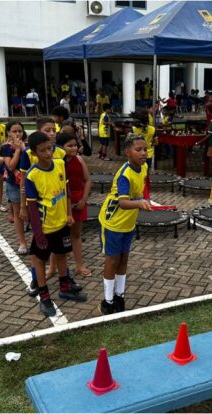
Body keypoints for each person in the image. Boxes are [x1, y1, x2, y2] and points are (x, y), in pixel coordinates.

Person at [25, 132, 87, 317]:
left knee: (62, 254)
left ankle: (65, 287)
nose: (47, 153)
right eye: (42, 151)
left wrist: (68, 213)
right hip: (45, 227)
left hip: (62, 223)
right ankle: (44, 297)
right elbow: (32, 208)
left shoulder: (60, 164)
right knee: (38, 260)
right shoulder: (32, 176)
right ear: (34, 153)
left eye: (49, 148)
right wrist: (39, 234)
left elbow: (66, 191)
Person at [98, 134, 151, 315]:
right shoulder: (124, 175)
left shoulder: (144, 167)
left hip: (128, 223)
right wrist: (140, 203)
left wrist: (145, 198)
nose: (143, 153)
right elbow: (123, 203)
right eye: (138, 150)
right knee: (112, 260)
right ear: (127, 152)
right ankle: (107, 301)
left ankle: (120, 296)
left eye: (145, 149)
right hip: (113, 222)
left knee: (124, 258)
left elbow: (143, 186)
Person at [59, 132, 93, 277]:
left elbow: (87, 180)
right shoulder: (57, 162)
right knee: (60, 236)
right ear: (61, 147)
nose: (74, 148)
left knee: (76, 234)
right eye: (69, 146)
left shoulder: (79, 159)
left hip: (79, 199)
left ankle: (79, 265)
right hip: (62, 201)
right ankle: (56, 267)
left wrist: (83, 200)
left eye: (75, 145)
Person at [0, 121, 28, 254]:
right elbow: (10, 166)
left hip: (30, 183)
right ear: (8, 133)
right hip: (14, 183)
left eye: (20, 131)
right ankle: (22, 242)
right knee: (18, 213)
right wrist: (17, 150)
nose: (17, 134)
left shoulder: (28, 146)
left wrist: (23, 148)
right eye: (14, 131)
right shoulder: (6, 148)